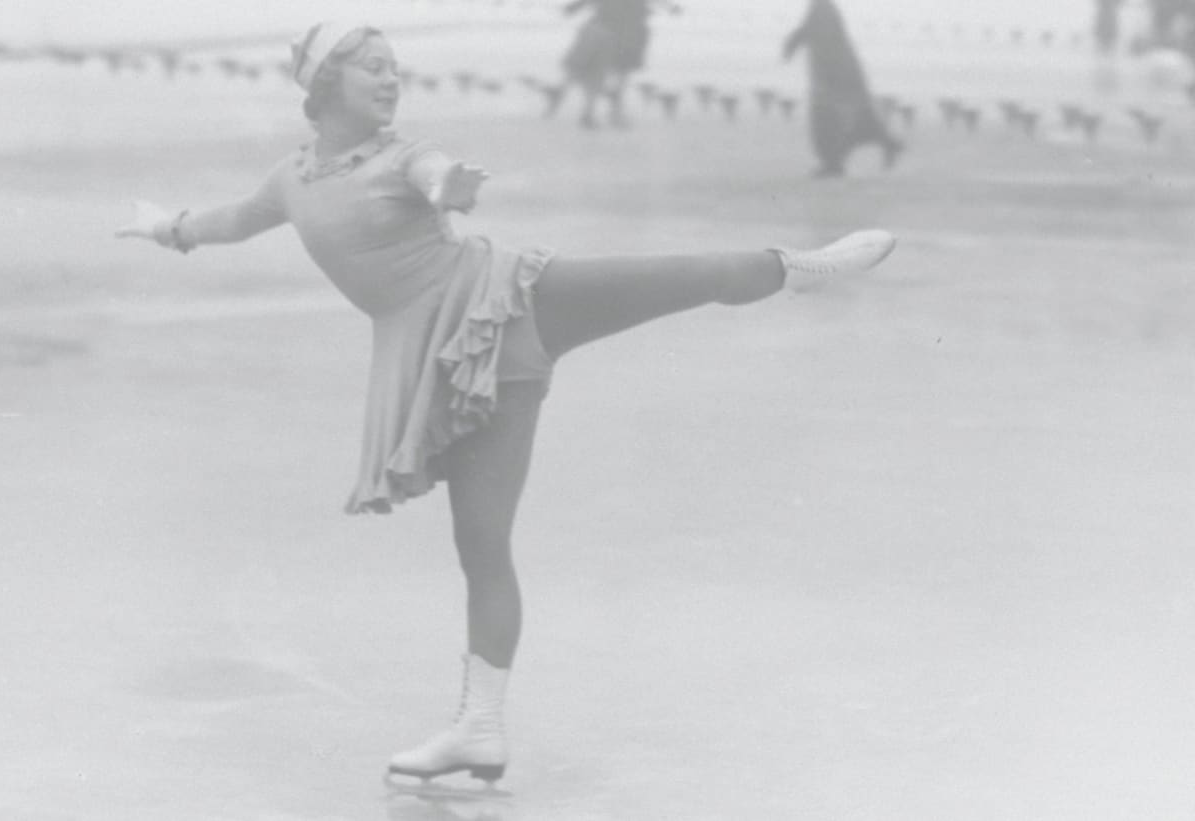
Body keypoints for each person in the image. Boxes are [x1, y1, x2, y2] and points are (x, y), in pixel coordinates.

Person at [115, 21, 897, 789]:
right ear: (326, 84)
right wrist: (167, 228)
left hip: (505, 302)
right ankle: (480, 728)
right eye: (373, 66)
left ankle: (797, 268)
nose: (391, 77)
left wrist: (447, 186)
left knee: (672, 277)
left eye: (395, 65)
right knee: (481, 543)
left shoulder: (401, 155)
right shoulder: (293, 178)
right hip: (448, 362)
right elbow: (233, 220)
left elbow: (434, 173)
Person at [783, 0, 904, 177]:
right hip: (841, 77)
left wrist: (793, 44)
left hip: (834, 79)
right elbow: (812, 30)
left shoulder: (822, 8)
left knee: (830, 119)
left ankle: (833, 163)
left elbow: (817, 32)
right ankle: (885, 144)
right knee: (859, 120)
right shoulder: (824, 9)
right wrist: (794, 43)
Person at [547, 0, 671, 128]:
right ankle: (603, 112)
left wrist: (573, 8)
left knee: (590, 71)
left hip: (611, 30)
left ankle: (574, 102)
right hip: (620, 32)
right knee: (610, 73)